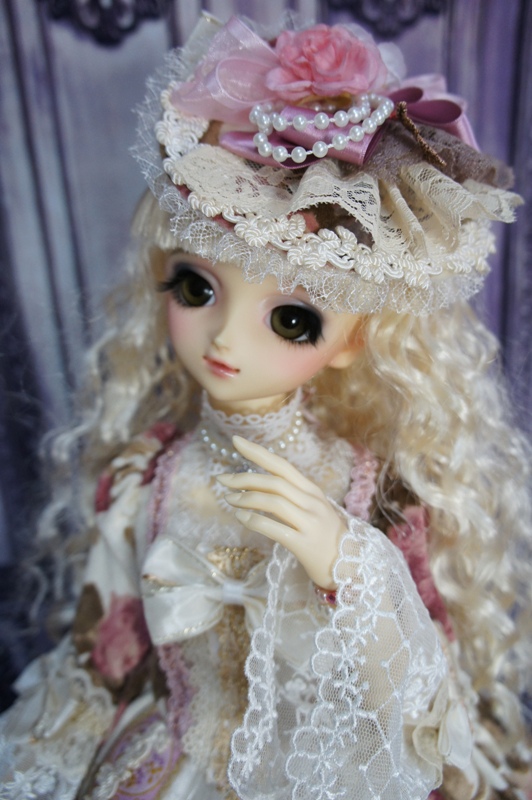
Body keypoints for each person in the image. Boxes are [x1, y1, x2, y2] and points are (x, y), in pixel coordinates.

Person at [1, 14, 531, 800]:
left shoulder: (373, 495)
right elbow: (102, 663)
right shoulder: (146, 475)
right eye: (196, 287)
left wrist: (348, 566)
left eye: (291, 319)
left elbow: (421, 695)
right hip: (171, 760)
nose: (224, 338)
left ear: (352, 341)